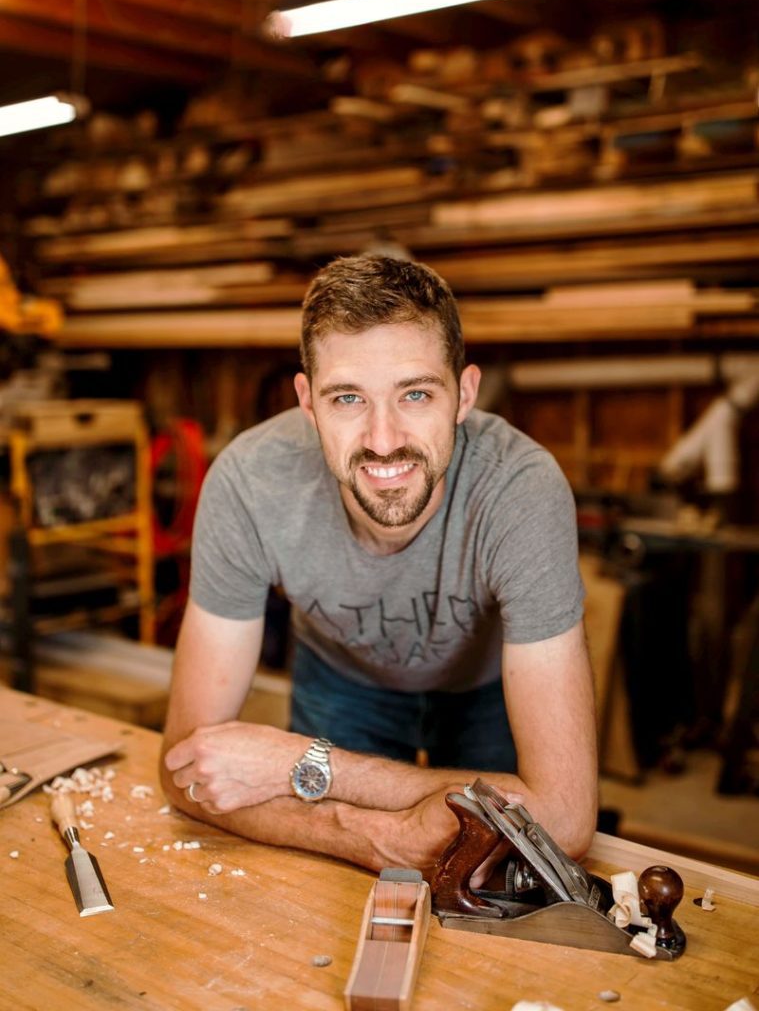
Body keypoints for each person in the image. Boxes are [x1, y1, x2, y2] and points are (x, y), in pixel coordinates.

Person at [160, 255, 598, 875]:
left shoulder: (522, 490)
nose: (384, 438)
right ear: (308, 404)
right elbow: (186, 770)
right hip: (342, 680)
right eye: (348, 399)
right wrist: (365, 834)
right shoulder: (249, 481)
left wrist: (303, 767)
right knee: (325, 886)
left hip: (486, 691)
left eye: (415, 393)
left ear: (464, 395)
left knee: (498, 884)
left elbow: (566, 820)